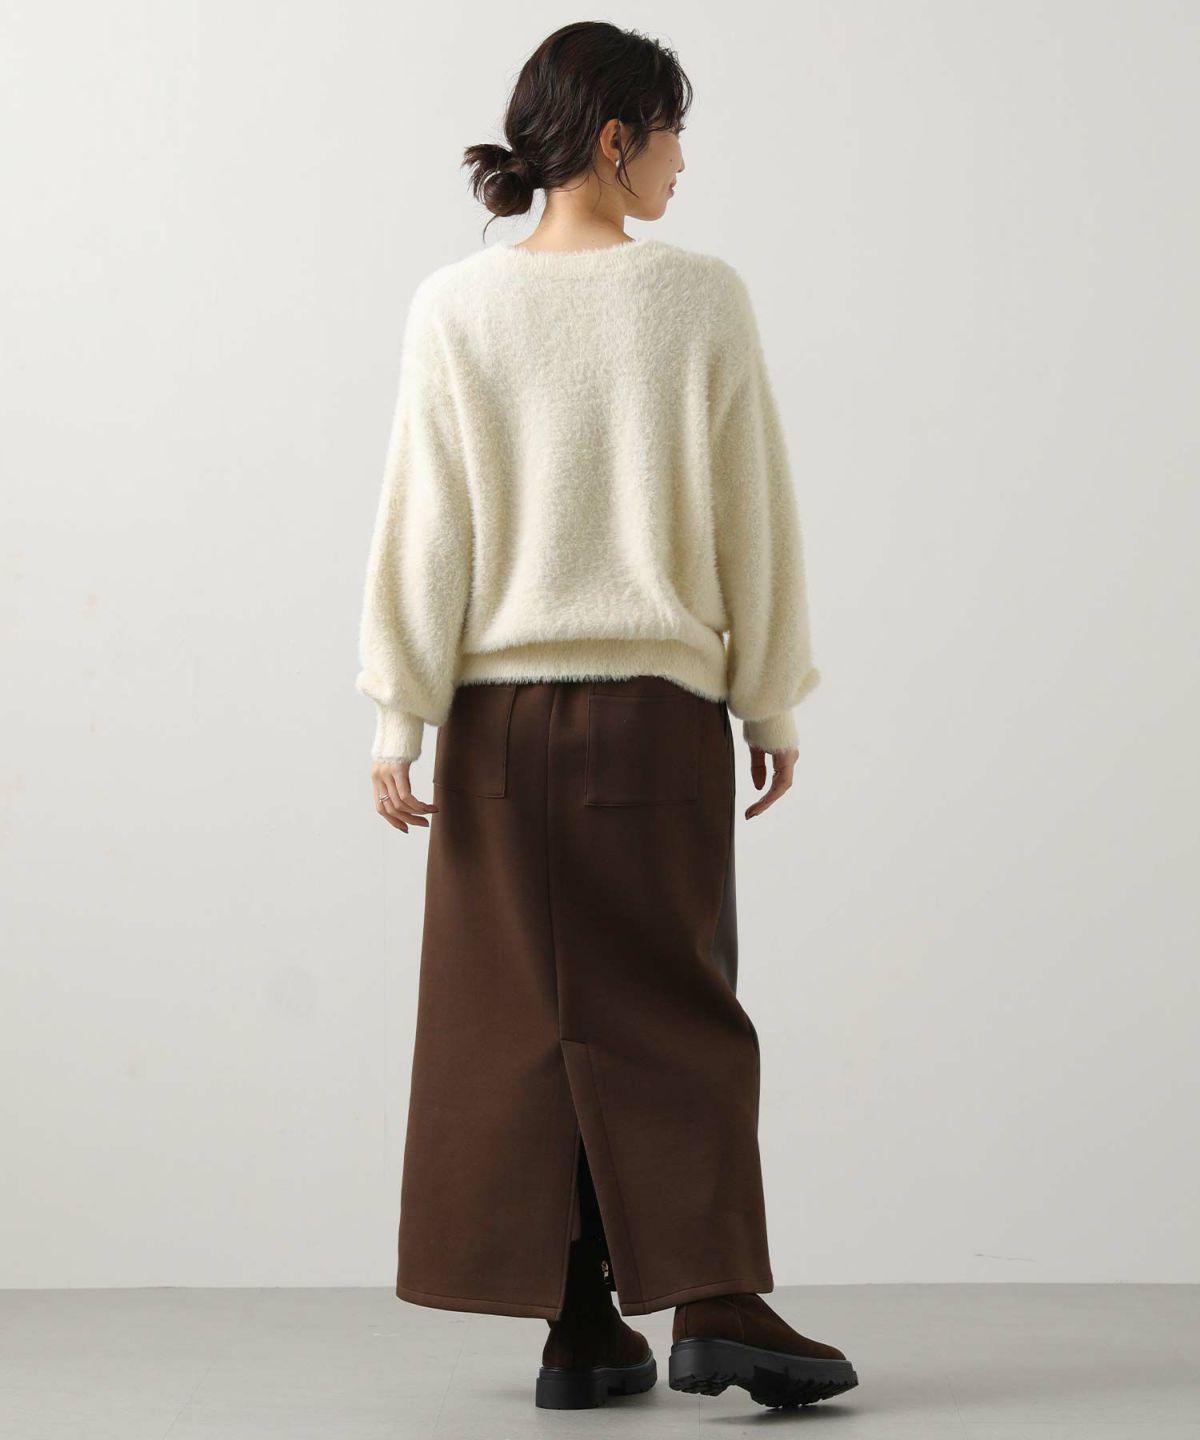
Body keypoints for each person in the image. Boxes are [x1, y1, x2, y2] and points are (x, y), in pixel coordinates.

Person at [355, 20, 858, 1415]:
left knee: (516, 1022)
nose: (685, 164)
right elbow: (755, 511)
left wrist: (399, 719)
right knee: (673, 1009)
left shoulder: (455, 306)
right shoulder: (697, 298)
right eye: (673, 134)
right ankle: (716, 1304)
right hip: (651, 720)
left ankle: (579, 1327)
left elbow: (423, 525)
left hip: (494, 728)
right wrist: (769, 694)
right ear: (617, 138)